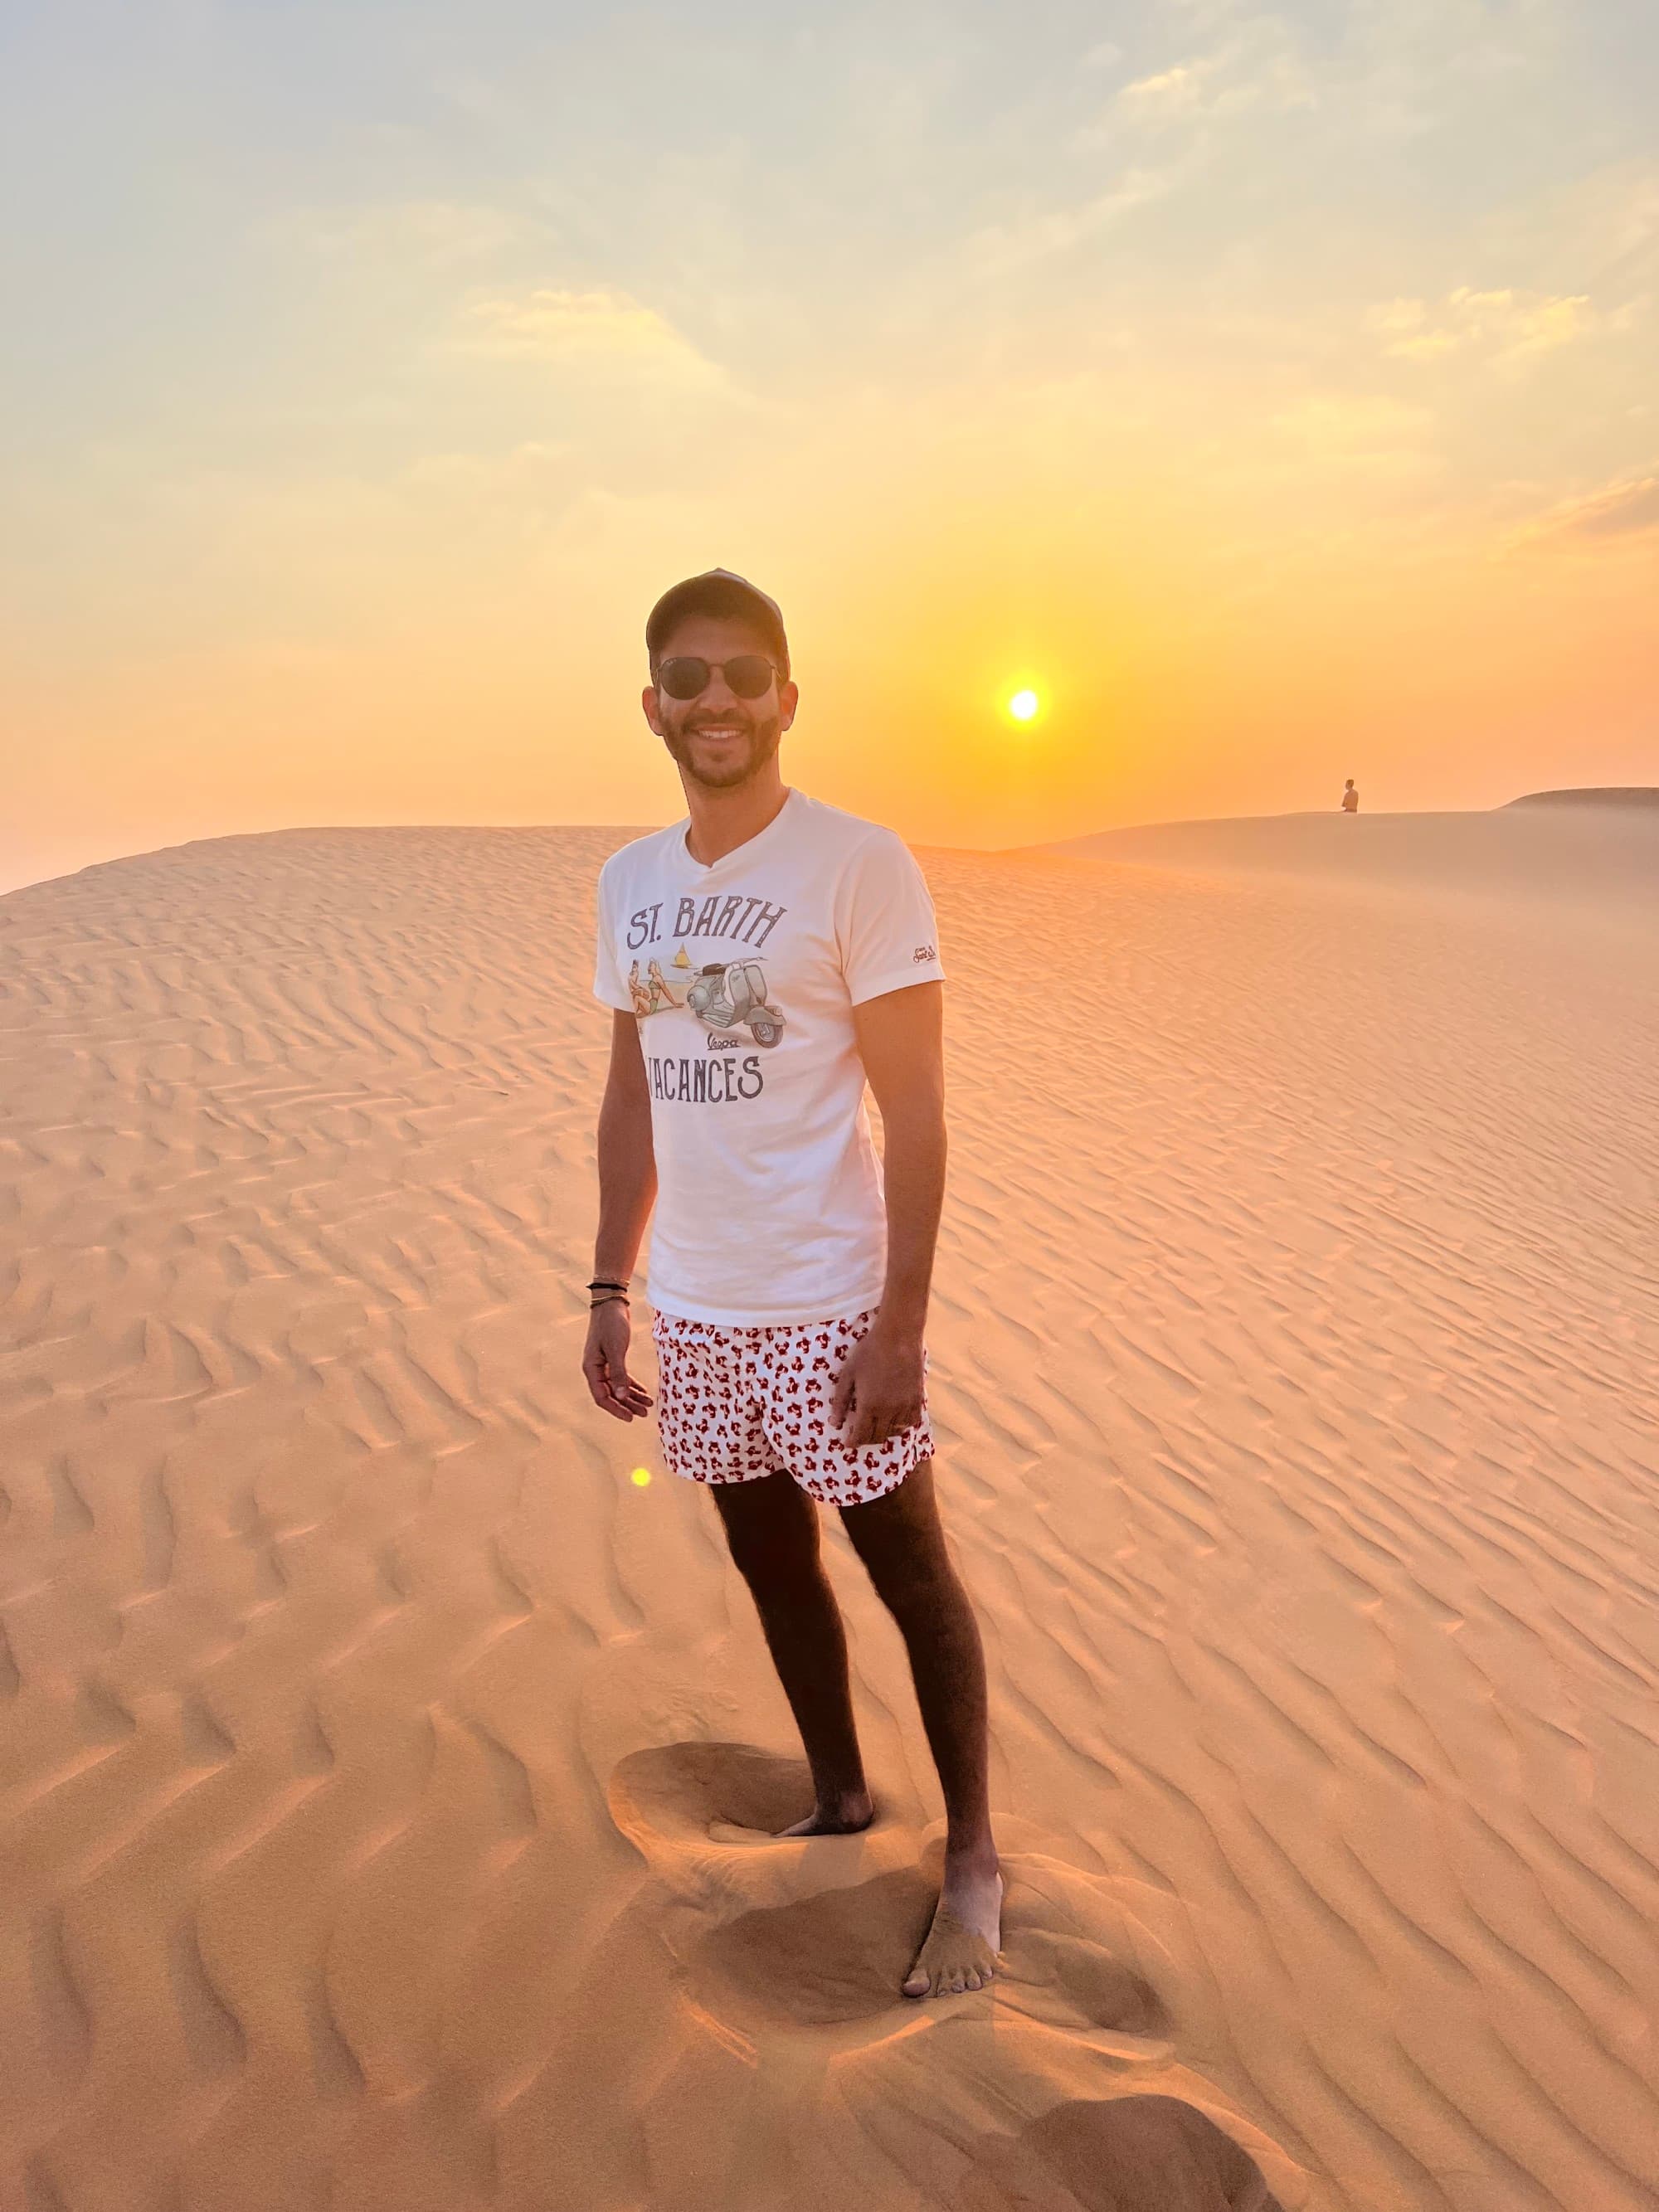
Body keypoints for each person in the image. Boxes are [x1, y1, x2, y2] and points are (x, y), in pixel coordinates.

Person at [582, 567, 1002, 2001]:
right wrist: (607, 1287)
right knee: (771, 1567)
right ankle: (838, 1796)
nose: (718, 703)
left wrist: (902, 1328)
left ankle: (977, 1864)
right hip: (698, 1312)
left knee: (912, 1578)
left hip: (832, 1308)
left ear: (787, 699)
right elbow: (633, 1095)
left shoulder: (857, 864)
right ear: (653, 703)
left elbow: (920, 1112)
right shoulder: (629, 885)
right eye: (689, 678)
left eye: (745, 677)